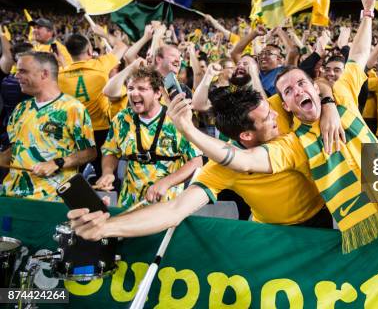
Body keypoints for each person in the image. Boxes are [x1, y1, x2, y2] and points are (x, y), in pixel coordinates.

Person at [164, 0, 378, 253]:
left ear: (314, 83)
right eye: (287, 90)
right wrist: (189, 128)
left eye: (301, 83)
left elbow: (357, 56)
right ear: (283, 104)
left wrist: (368, 14)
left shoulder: (341, 94)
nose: (297, 91)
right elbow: (240, 156)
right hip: (366, 221)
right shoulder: (295, 141)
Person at [66, 86, 345, 241]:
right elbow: (175, 210)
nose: (277, 116)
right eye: (268, 117)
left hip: (316, 222)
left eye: (272, 110)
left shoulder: (283, 125)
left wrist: (329, 103)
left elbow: (315, 81)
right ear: (246, 134)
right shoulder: (221, 168)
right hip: (267, 230)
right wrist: (107, 227)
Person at [93, 66, 202, 207]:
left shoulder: (177, 120)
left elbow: (196, 162)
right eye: (131, 88)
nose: (134, 93)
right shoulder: (122, 119)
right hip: (129, 202)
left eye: (142, 89)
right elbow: (110, 151)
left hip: (166, 204)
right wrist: (108, 172)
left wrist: (166, 182)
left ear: (158, 93)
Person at [0, 52, 96, 201]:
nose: (16, 76)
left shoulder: (73, 108)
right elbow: (15, 150)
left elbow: (89, 152)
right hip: (12, 195)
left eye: (22, 71)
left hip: (50, 198)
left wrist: (57, 163)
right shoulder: (21, 108)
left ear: (44, 74)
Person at [58, 31, 128, 182]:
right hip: (101, 130)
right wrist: (102, 33)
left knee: (75, 175)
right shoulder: (100, 65)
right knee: (106, 173)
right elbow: (122, 46)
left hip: (76, 132)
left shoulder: (60, 75)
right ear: (90, 51)